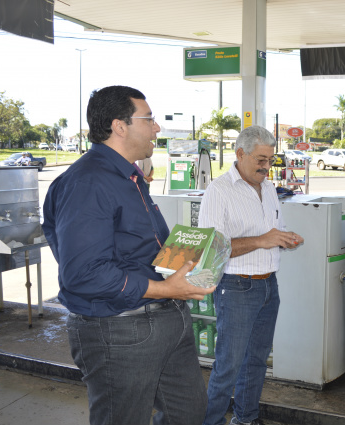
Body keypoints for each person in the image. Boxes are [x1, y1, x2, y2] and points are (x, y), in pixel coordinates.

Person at [42, 85, 214, 425]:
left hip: (167, 319)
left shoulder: (130, 177)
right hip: (120, 330)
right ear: (119, 126)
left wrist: (188, 261)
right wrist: (168, 289)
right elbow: (85, 273)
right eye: (148, 118)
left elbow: (138, 248)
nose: (157, 127)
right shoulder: (88, 183)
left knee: (189, 414)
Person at [199, 125, 305, 425]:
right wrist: (262, 240)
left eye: (270, 160)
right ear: (240, 154)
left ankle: (246, 419)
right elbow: (212, 249)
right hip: (236, 288)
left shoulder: (269, 189)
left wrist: (285, 239)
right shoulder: (218, 191)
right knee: (228, 366)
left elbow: (274, 231)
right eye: (260, 159)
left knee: (256, 361)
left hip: (269, 285)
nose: (266, 166)